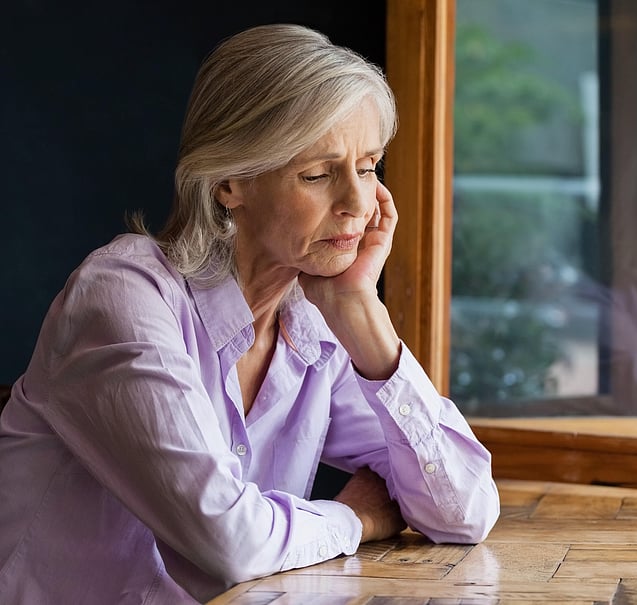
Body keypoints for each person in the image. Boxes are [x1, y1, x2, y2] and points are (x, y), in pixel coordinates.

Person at [0, 24, 499, 604]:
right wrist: (353, 520)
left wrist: (364, 313)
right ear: (230, 181)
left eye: (368, 166)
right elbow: (228, 541)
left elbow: (463, 512)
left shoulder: (313, 323)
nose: (360, 204)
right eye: (318, 173)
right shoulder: (120, 299)